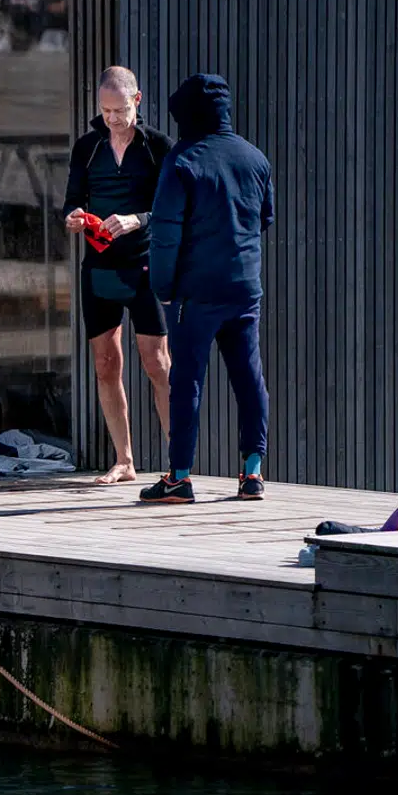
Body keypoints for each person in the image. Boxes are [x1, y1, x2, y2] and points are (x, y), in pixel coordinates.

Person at [141, 73, 275, 504]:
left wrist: (163, 288)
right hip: (244, 288)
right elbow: (265, 218)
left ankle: (179, 478)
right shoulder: (255, 159)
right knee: (249, 378)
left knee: (187, 382)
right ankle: (251, 473)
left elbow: (164, 234)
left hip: (195, 294)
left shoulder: (182, 160)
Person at [61, 65, 175, 485]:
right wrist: (73, 216)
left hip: (145, 264)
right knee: (106, 363)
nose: (112, 117)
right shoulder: (88, 147)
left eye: (119, 109)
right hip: (101, 266)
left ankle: (177, 461)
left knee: (157, 363)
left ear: (137, 101)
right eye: (105, 110)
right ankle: (124, 461)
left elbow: (172, 209)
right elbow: (73, 199)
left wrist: (136, 219)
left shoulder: (158, 147)